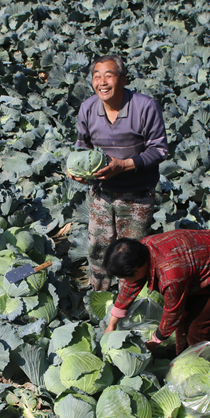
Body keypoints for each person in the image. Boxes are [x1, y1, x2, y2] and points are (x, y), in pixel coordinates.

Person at [68, 55, 168, 291]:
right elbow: (82, 146)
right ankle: (99, 295)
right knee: (97, 248)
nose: (102, 82)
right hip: (102, 193)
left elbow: (160, 150)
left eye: (109, 76)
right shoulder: (88, 108)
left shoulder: (145, 107)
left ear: (123, 79)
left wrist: (123, 165)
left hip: (137, 195)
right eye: (97, 76)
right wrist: (76, 168)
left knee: (130, 253)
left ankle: (130, 299)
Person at [102, 230, 210, 355]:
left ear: (137, 270)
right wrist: (112, 324)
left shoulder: (171, 276)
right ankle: (182, 356)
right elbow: (131, 285)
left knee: (197, 327)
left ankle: (201, 368)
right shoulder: (142, 248)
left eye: (125, 276)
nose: (126, 280)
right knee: (185, 316)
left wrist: (155, 342)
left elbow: (172, 312)